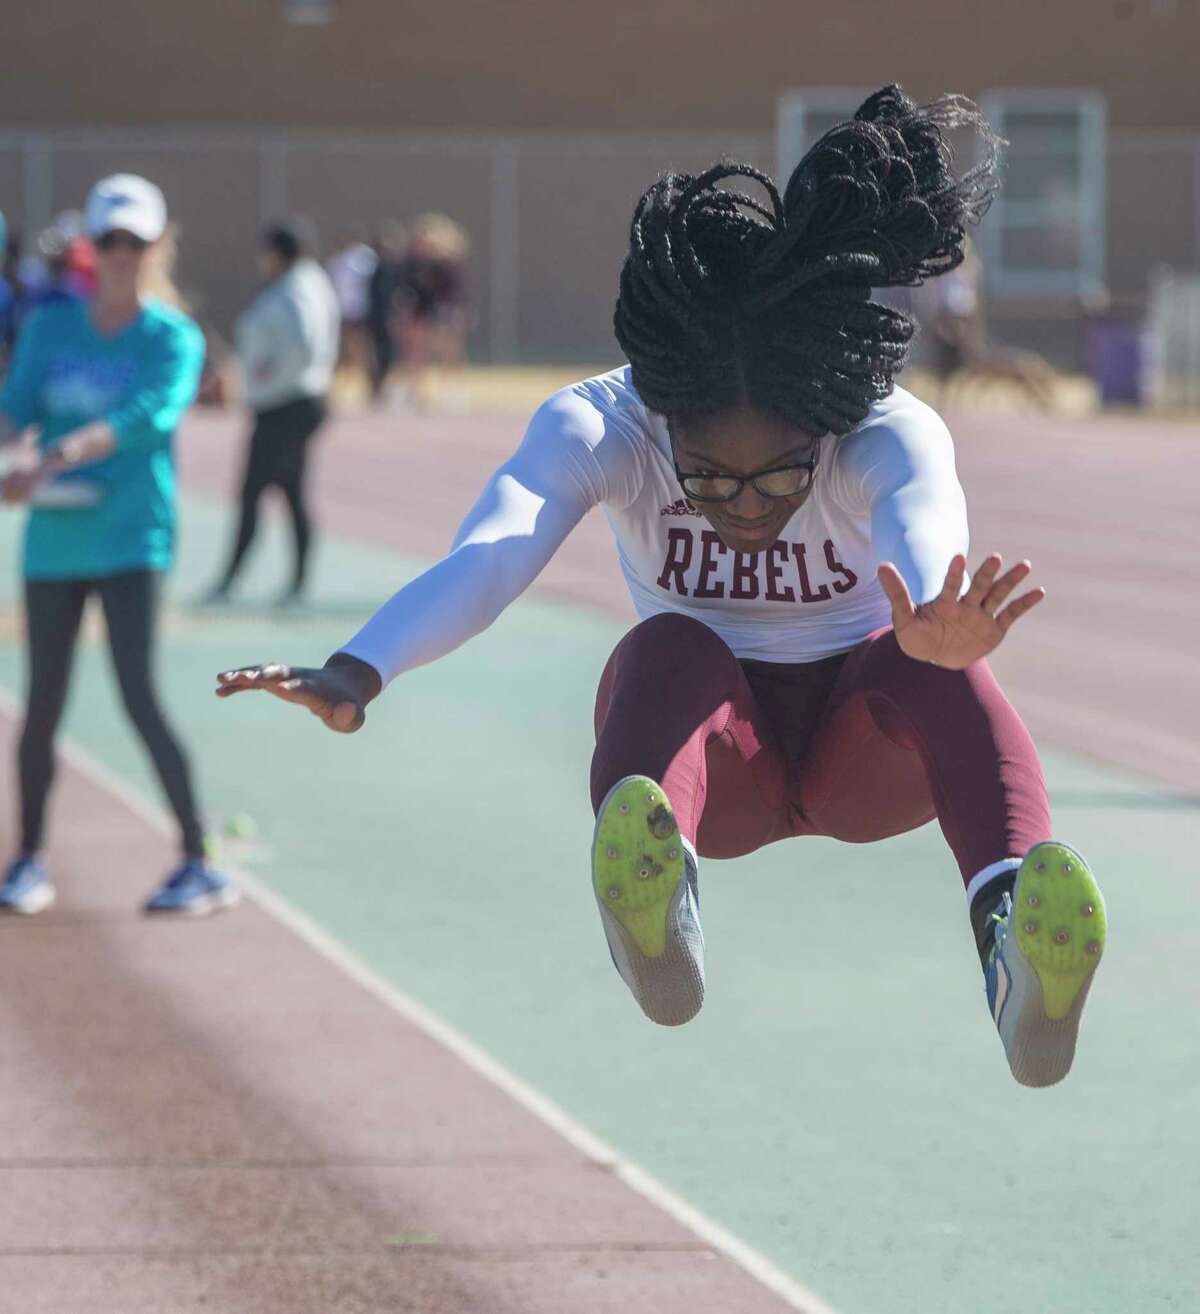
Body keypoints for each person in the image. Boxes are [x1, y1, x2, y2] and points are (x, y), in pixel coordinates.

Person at [215, 88, 1106, 1088]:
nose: (745, 505)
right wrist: (357, 667)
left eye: (778, 476)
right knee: (664, 650)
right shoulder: (603, 426)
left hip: (870, 750)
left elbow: (922, 517)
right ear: (663, 421)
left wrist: (941, 610)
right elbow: (495, 551)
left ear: (822, 422)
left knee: (934, 670)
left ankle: (1012, 939)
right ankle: (655, 909)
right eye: (710, 478)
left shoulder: (883, 427)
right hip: (719, 766)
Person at [0, 173, 234, 916]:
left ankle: (198, 859)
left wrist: (56, 456)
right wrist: (10, 461)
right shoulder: (50, 328)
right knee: (41, 706)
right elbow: (12, 411)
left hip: (133, 538)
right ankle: (29, 857)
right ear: (89, 247)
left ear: (157, 245)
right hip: (53, 543)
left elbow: (147, 418)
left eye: (136, 240)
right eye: (109, 239)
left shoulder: (173, 337)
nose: (122, 252)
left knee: (139, 696)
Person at [206, 218, 339, 605]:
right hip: (287, 400)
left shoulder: (300, 288)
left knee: (255, 492)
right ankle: (291, 583)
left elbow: (305, 343)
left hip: (288, 403)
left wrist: (267, 374)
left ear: (279, 253)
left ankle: (232, 581)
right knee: (289, 490)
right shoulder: (302, 284)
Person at [395, 213, 470, 407]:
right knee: (416, 352)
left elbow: (456, 290)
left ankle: (453, 390)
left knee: (448, 352)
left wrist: (456, 311)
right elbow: (410, 288)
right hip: (422, 310)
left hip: (446, 311)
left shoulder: (448, 262)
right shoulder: (413, 262)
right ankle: (415, 391)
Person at [366, 220, 408, 403]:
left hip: (387, 317)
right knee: (379, 354)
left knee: (390, 355)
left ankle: (382, 387)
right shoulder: (374, 268)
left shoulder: (393, 269)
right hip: (377, 318)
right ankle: (376, 387)